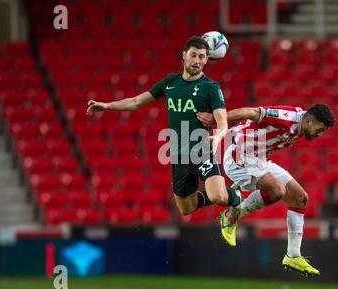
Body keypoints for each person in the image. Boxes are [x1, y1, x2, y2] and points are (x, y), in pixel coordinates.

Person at [86, 36, 241, 218]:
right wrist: (107, 106)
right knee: (186, 208)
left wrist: (219, 136)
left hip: (202, 150)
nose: (197, 61)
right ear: (184, 55)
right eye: (193, 55)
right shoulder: (170, 83)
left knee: (219, 196)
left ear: (207, 59)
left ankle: (235, 196)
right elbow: (136, 101)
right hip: (178, 155)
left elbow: (222, 120)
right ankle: (224, 194)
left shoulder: (210, 87)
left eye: (201, 57)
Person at [196, 104, 336, 276]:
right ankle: (232, 213)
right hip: (238, 155)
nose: (319, 135)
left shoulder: (301, 126)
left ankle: (293, 255)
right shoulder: (286, 118)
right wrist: (217, 120)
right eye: (319, 129)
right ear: (308, 121)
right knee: (277, 191)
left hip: (258, 159)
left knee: (300, 198)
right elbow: (251, 112)